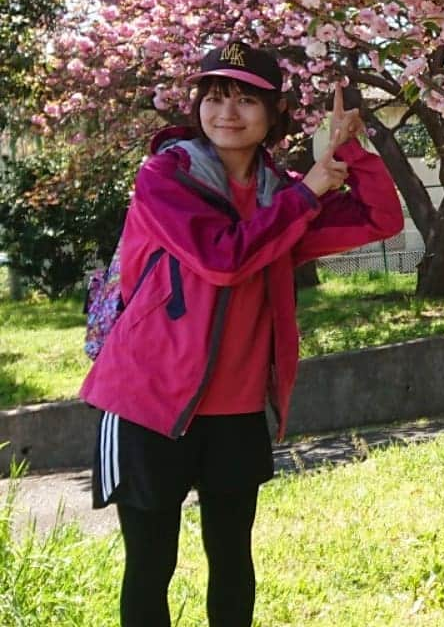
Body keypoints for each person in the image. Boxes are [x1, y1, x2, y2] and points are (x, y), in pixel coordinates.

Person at [80, 40, 403, 627]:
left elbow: (380, 219)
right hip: (147, 403)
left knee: (232, 562)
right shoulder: (164, 177)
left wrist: (348, 152)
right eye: (214, 96)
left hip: (237, 409)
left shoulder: (281, 197)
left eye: (245, 100)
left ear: (275, 113)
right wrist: (309, 193)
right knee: (151, 565)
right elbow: (221, 257)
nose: (226, 112)